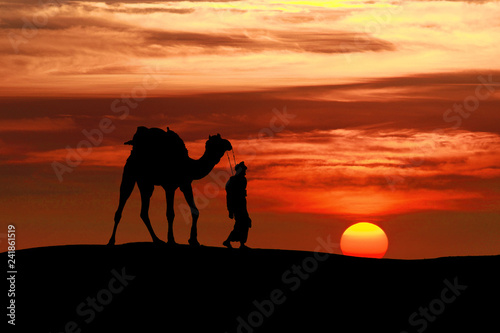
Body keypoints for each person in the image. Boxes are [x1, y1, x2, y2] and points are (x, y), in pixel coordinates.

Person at [223, 162, 252, 249]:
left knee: (245, 223)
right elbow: (229, 196)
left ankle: (241, 243)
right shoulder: (233, 180)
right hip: (237, 206)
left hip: (242, 206)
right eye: (244, 170)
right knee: (241, 224)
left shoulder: (243, 180)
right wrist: (230, 210)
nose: (245, 172)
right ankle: (229, 241)